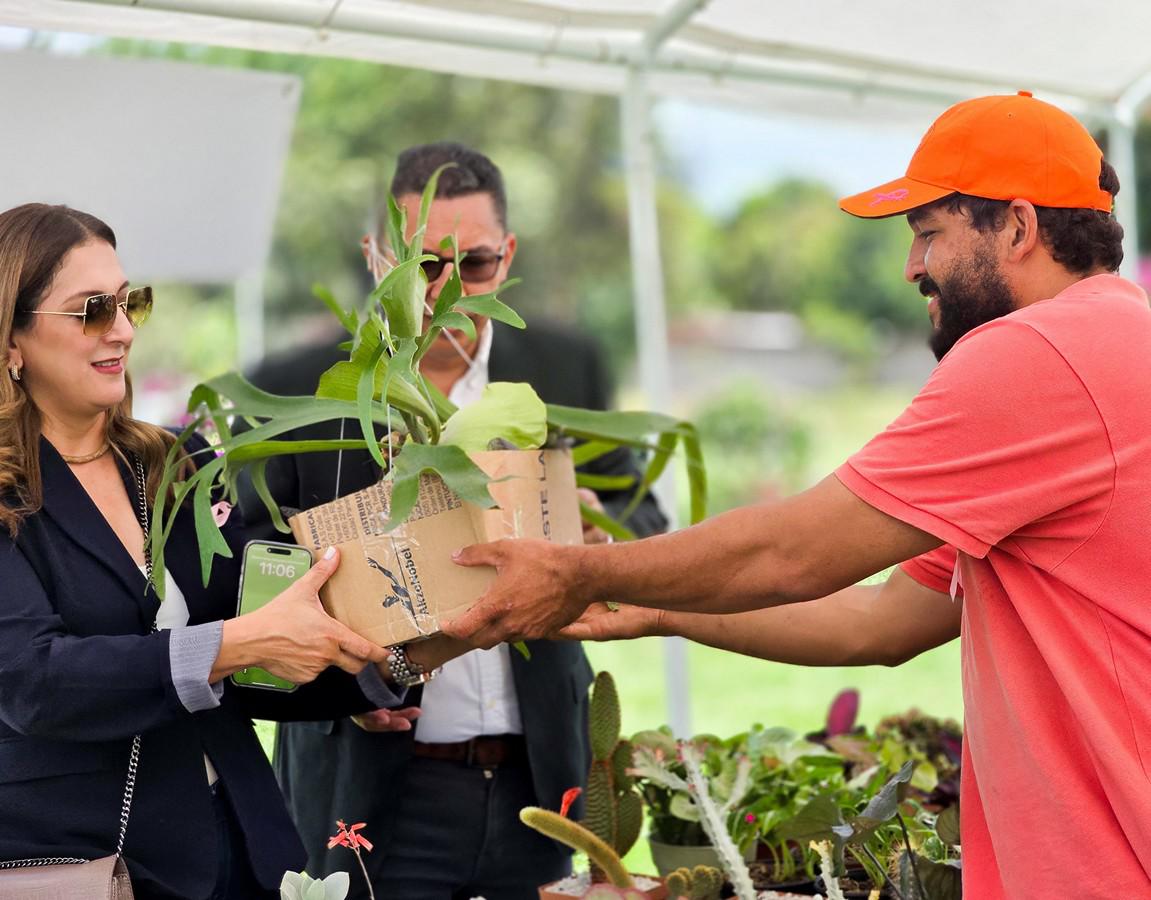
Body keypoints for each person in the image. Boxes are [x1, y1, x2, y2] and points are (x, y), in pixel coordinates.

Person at [444, 93, 1151, 899]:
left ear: (1017, 227)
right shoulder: (1115, 339)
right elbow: (881, 622)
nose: (910, 266)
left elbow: (791, 553)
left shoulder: (1038, 355)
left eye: (928, 232)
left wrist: (577, 573)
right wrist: (653, 606)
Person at [0, 203, 464, 900]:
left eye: (130, 302)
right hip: (93, 862)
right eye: (92, 310)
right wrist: (239, 642)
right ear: (12, 340)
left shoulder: (175, 462)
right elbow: (33, 682)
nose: (122, 329)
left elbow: (255, 656)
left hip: (240, 841)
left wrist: (406, 652)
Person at [241, 141, 667, 899]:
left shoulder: (563, 368)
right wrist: (340, 675)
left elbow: (648, 522)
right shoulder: (301, 391)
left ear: (508, 256)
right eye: (422, 267)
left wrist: (605, 539)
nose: (447, 293)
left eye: (474, 265)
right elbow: (248, 590)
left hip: (541, 783)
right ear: (375, 258)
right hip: (370, 787)